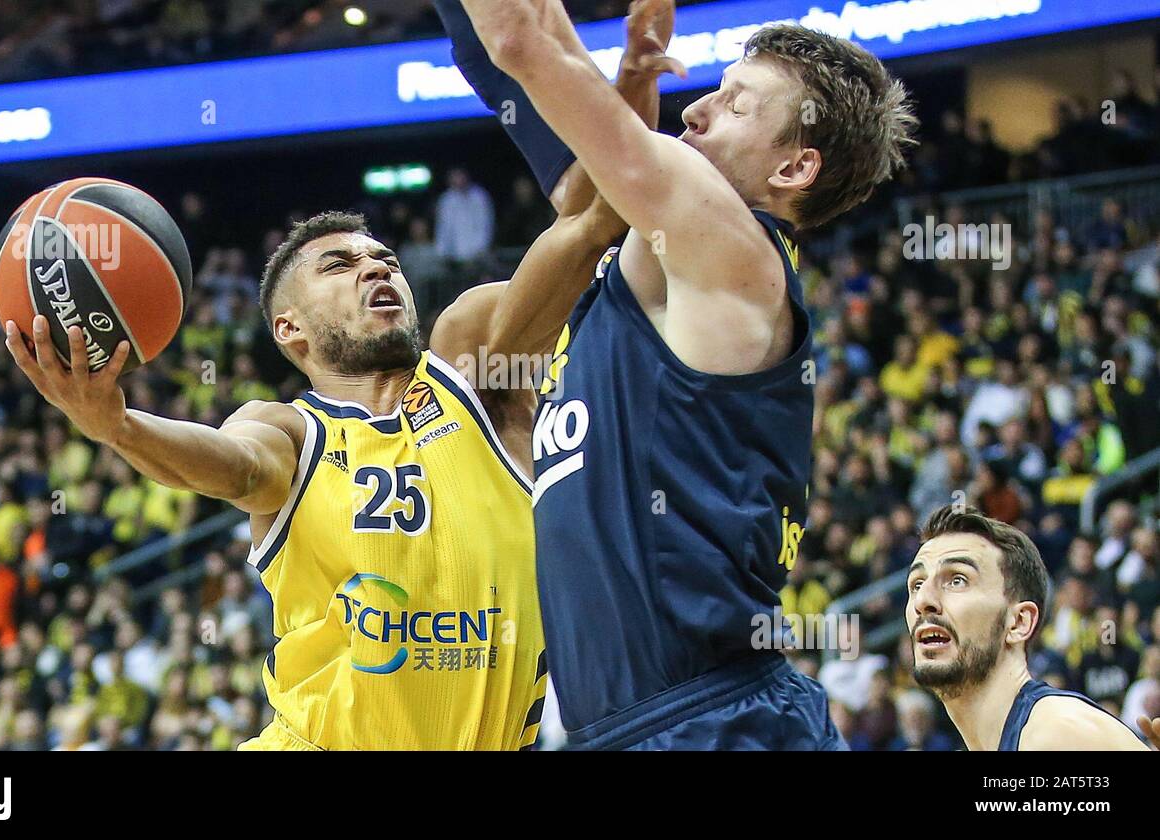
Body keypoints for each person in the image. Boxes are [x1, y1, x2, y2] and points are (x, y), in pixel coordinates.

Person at [2, 12, 671, 750]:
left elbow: (592, 222)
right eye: (340, 265)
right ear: (289, 329)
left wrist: (631, 81)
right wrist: (118, 426)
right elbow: (233, 468)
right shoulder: (289, 431)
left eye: (382, 257)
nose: (376, 267)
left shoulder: (477, 366)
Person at [452, 0, 914, 748]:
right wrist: (633, 70)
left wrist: (581, 66)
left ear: (793, 167)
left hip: (708, 720)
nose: (696, 109)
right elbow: (601, 185)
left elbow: (515, 40)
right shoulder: (672, 255)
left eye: (736, 103)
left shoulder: (730, 246)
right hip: (649, 720)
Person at [906, 505, 1154, 750]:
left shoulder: (1058, 732)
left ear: (1019, 622)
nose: (922, 600)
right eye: (917, 584)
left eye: (957, 580)